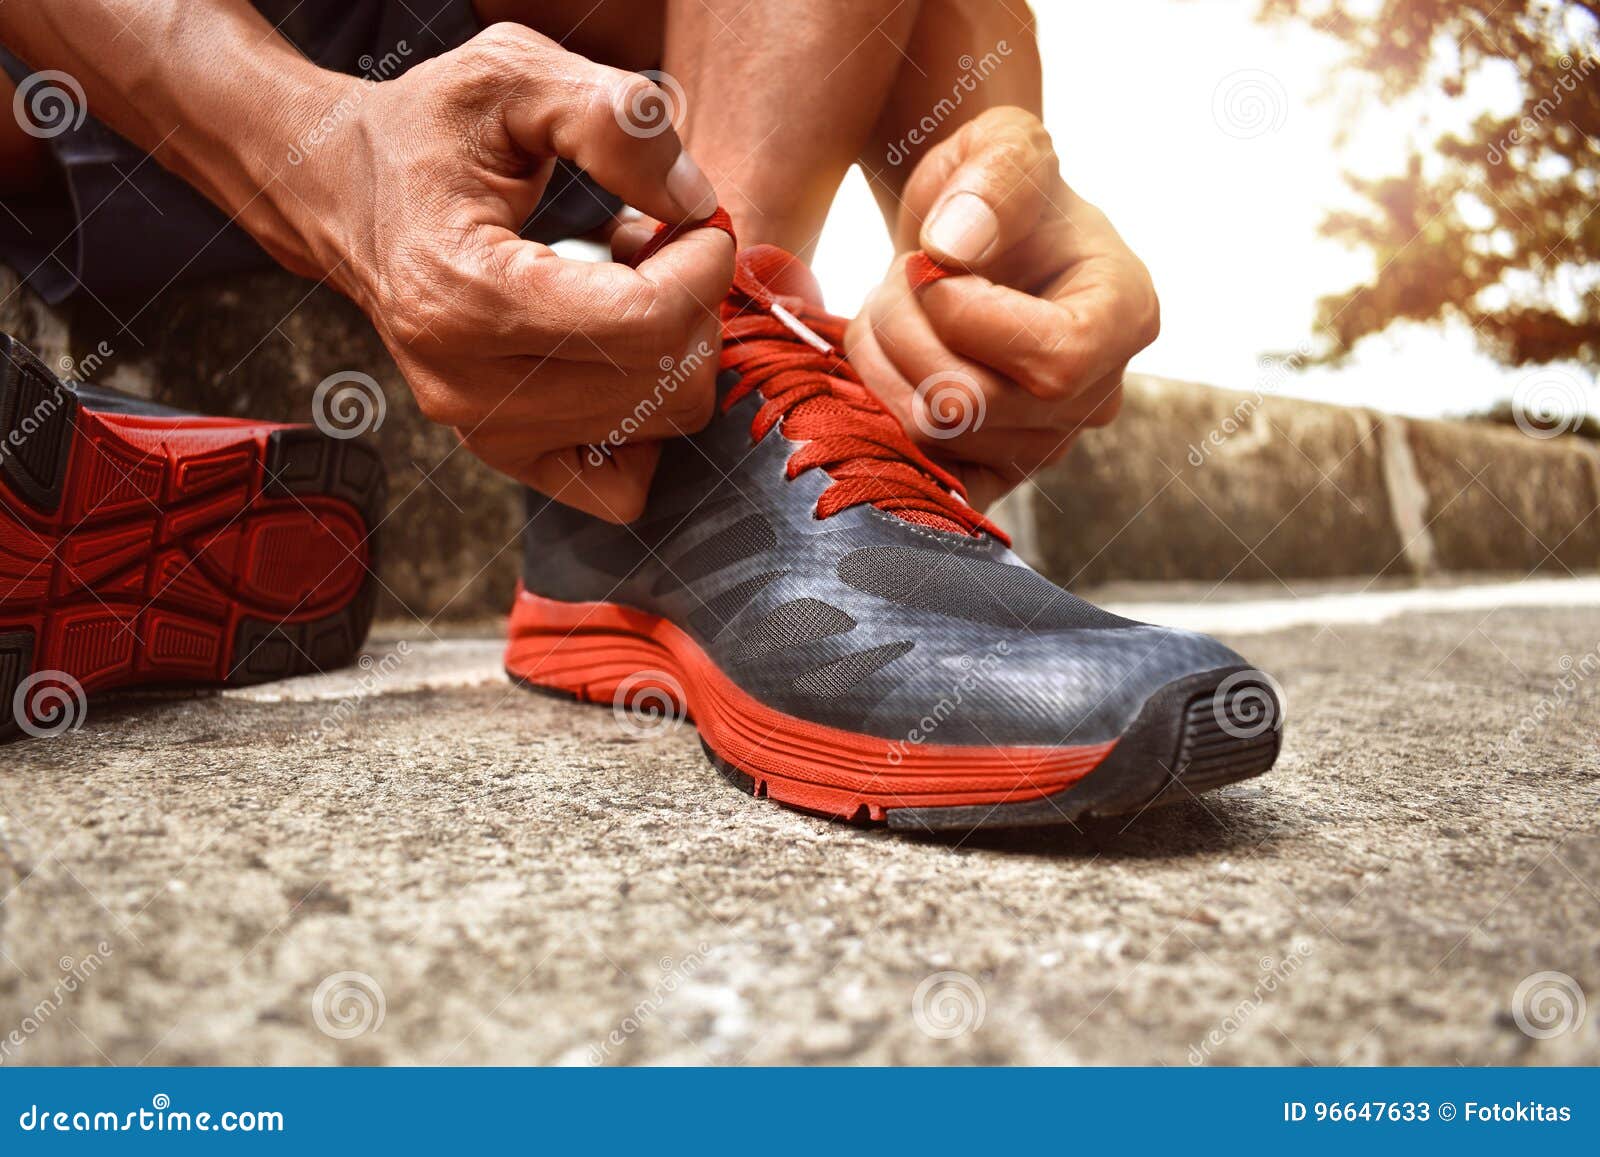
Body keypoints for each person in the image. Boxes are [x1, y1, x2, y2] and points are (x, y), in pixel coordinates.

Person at [0, 1, 1280, 828]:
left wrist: (983, 160)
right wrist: (321, 152)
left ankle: (701, 405)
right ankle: (702, 417)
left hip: (579, 138)